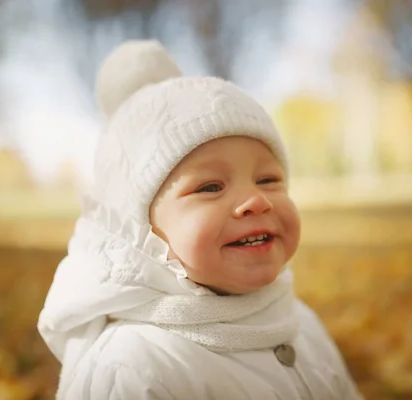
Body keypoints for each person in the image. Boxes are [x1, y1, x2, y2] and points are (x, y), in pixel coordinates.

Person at [38, 40, 362, 399]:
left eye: (268, 180)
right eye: (210, 187)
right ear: (138, 234)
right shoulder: (134, 369)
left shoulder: (301, 323)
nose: (255, 200)